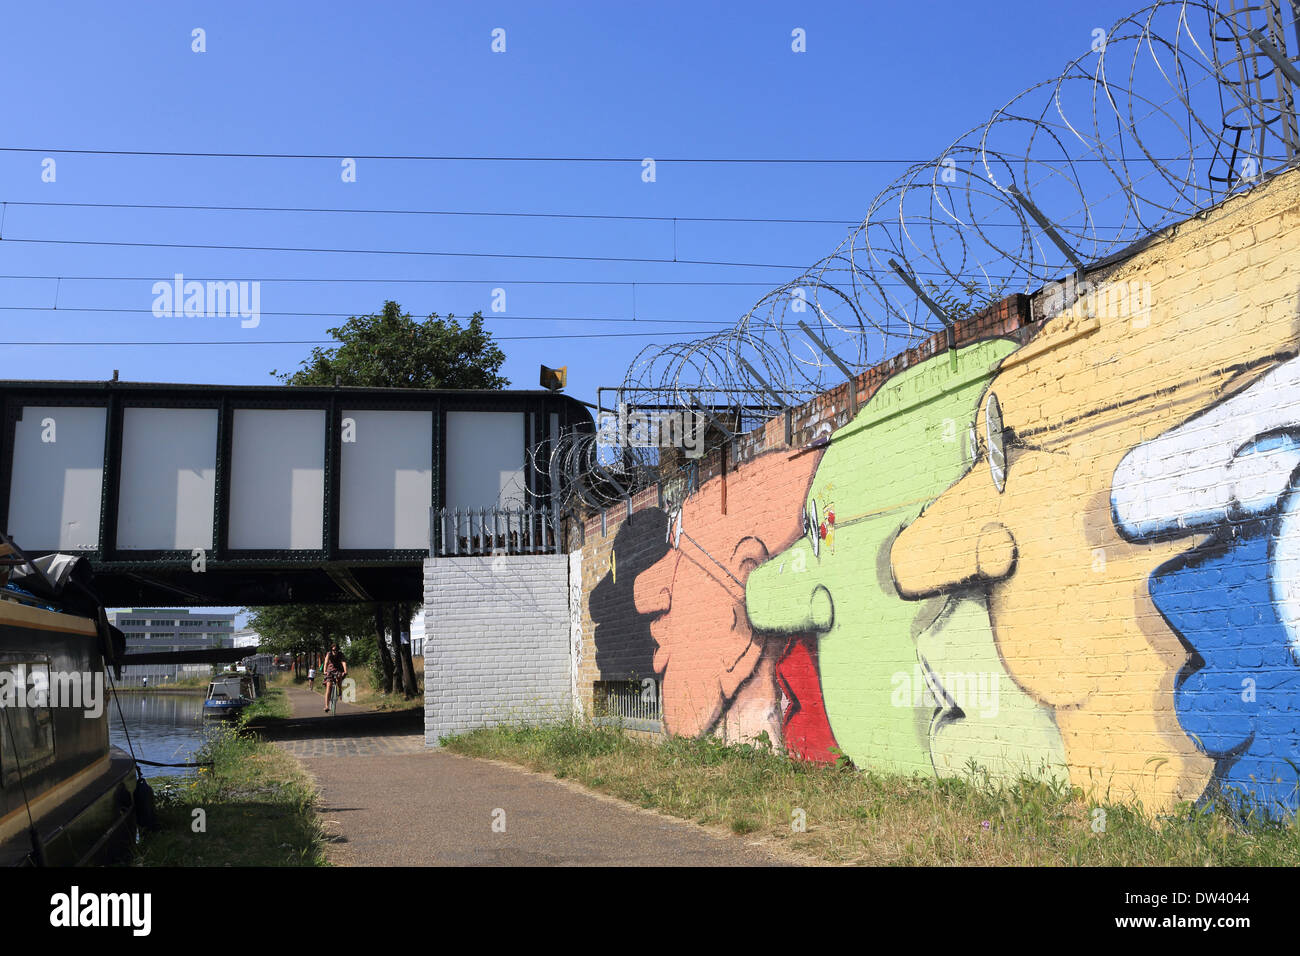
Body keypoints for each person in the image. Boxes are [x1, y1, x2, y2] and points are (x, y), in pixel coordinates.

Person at [321, 643, 347, 712]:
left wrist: (345, 670)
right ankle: (326, 706)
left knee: (339, 678)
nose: (335, 651)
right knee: (328, 687)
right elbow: (326, 662)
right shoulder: (329, 654)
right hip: (330, 670)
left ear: (338, 650)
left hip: (338, 669)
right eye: (333, 650)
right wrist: (324, 671)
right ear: (331, 650)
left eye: (336, 650)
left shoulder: (341, 654)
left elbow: (343, 662)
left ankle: (340, 690)